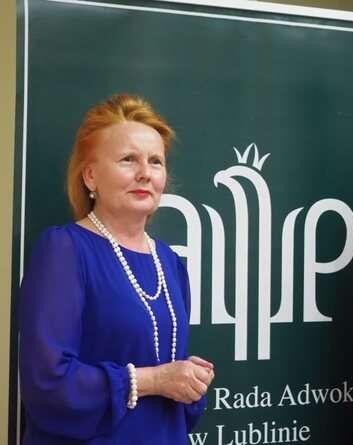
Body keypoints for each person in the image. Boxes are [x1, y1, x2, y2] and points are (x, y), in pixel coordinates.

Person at [19, 94, 215, 444]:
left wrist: (189, 381)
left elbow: (174, 396)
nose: (145, 173)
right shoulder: (64, 249)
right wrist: (153, 380)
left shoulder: (169, 261)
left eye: (155, 162)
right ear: (91, 176)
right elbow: (47, 384)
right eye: (128, 160)